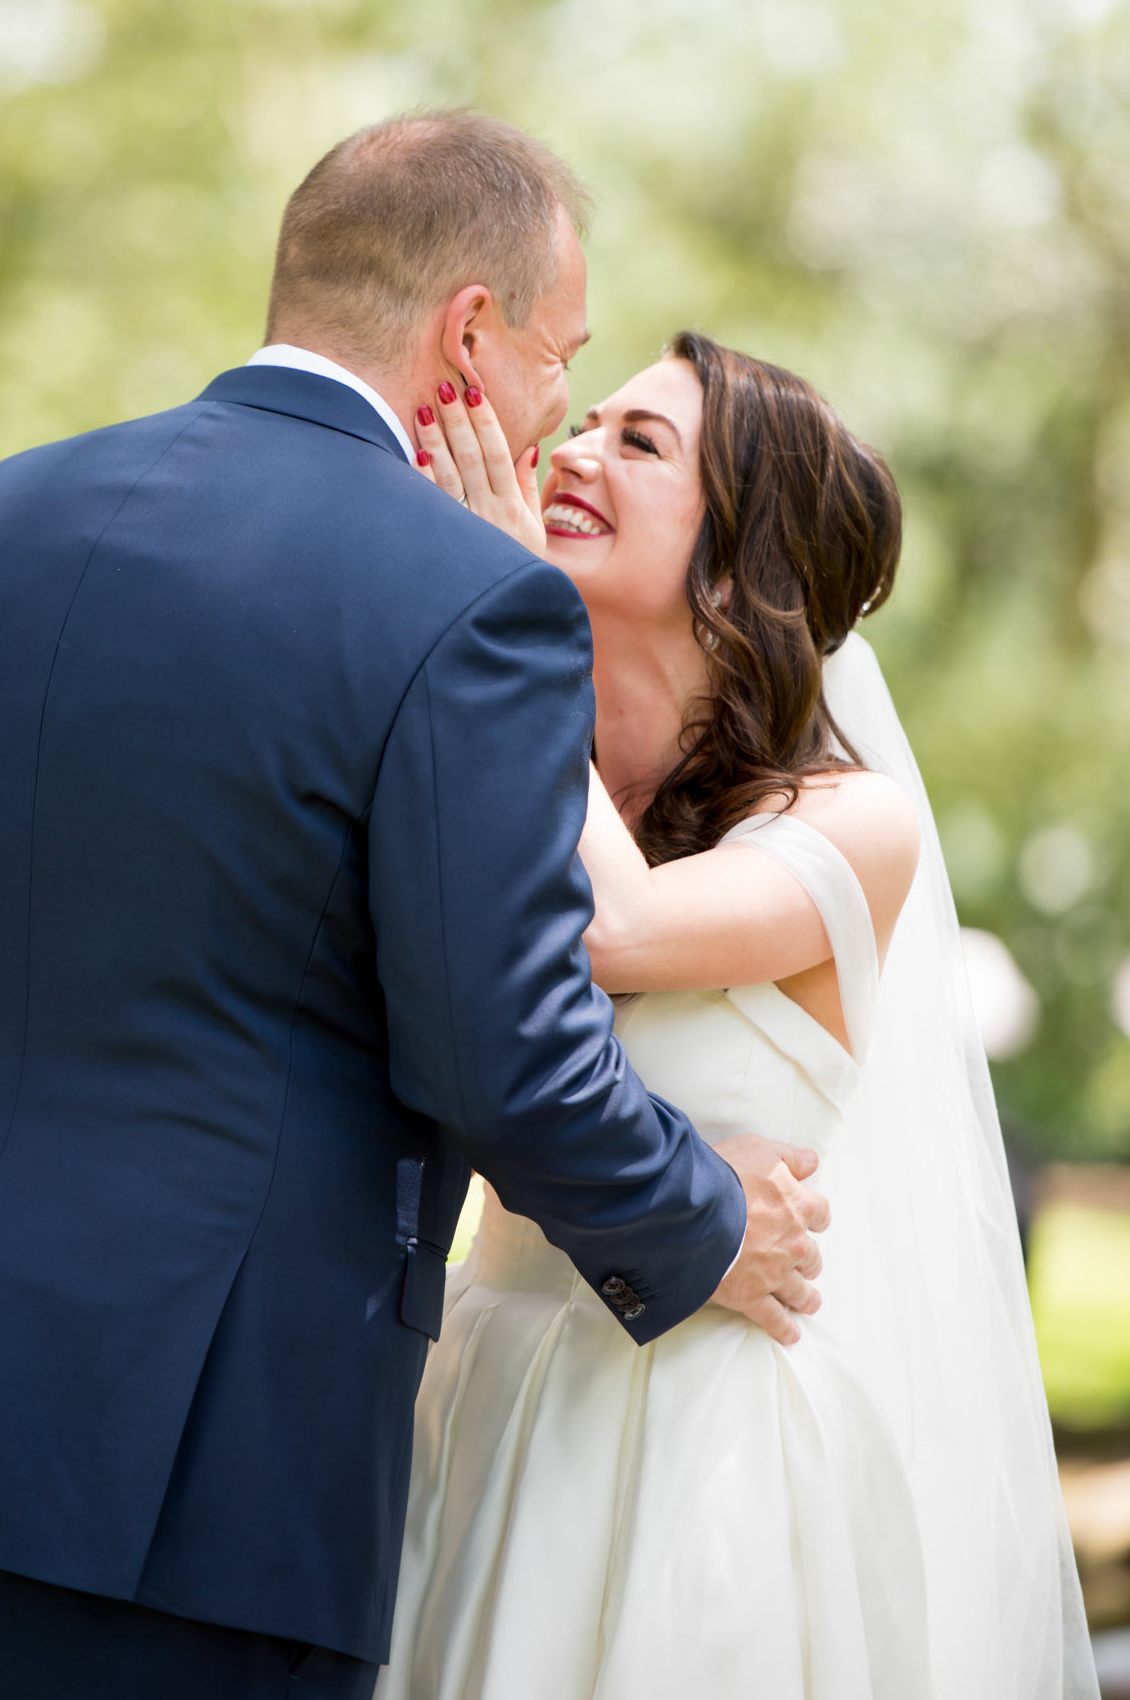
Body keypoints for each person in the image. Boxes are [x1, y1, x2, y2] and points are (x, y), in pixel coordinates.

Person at [0, 114, 827, 1700]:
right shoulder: (469, 600)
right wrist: (703, 1224)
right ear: (468, 338)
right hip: (191, 1455)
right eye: (564, 360)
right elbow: (505, 1056)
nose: (555, 420)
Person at [379, 332, 1098, 1698]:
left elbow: (620, 929)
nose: (574, 452)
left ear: (737, 569)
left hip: (695, 1455)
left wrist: (513, 607)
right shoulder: (519, 765)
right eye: (587, 419)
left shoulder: (853, 822)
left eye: (641, 444)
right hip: (475, 1397)